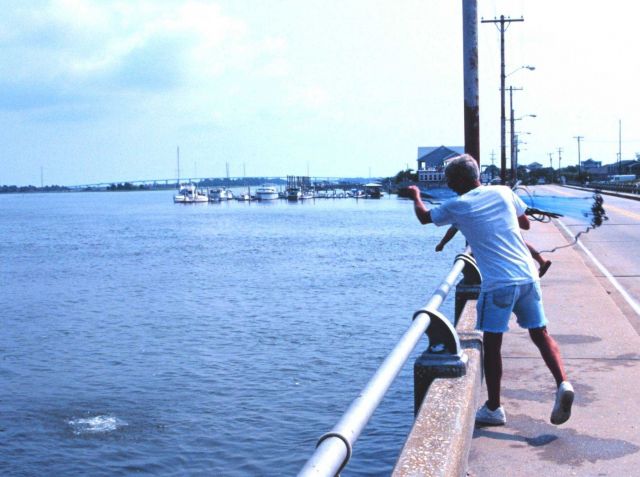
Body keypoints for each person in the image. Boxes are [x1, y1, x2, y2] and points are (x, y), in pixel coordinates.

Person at [407, 154, 574, 426]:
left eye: (450, 180)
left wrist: (415, 194)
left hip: (499, 283)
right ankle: (562, 383)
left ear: (461, 180)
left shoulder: (458, 204)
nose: (448, 186)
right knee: (541, 334)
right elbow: (525, 224)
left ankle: (494, 408)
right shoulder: (503, 192)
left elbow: (425, 217)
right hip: (528, 276)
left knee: (493, 345)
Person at [435, 225, 552, 278]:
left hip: (492, 235)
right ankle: (541, 261)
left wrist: (442, 244)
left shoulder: (463, 208)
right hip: (503, 225)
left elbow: (453, 229)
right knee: (520, 243)